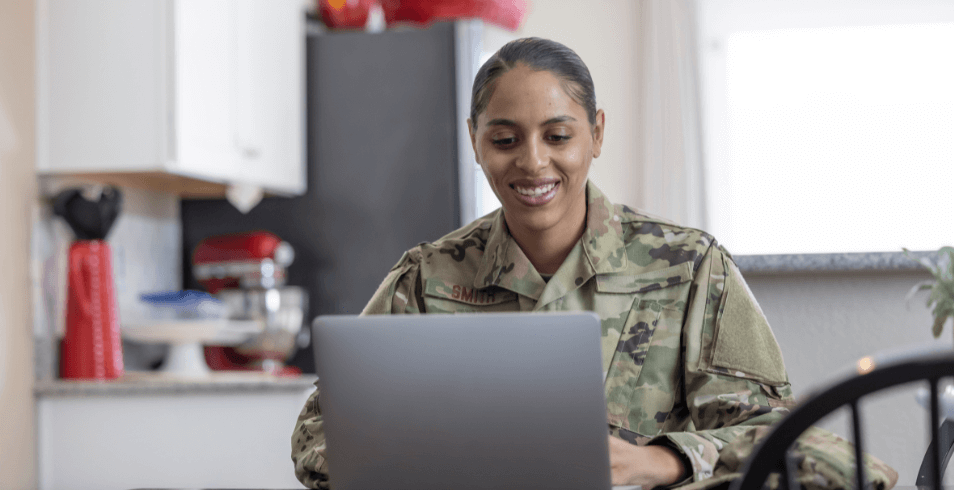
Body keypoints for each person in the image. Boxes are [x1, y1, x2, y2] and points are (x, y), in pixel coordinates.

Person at [292, 37, 896, 489]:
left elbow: (776, 434)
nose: (532, 163)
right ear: (474, 138)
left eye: (558, 136)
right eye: (505, 140)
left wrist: (664, 460)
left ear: (596, 134)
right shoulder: (426, 278)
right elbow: (318, 435)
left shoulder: (689, 267)